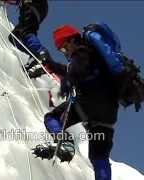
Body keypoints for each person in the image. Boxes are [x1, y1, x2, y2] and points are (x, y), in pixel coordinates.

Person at [31, 24, 126, 180]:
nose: (65, 52)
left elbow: (77, 69)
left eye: (63, 48)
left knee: (52, 118)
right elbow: (73, 70)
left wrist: (68, 80)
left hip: (88, 103)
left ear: (72, 41)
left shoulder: (82, 52)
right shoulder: (97, 56)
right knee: (99, 158)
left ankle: (66, 143)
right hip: (108, 113)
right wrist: (53, 66)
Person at [4, 0, 54, 78]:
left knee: (24, 31)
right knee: (14, 37)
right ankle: (35, 56)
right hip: (36, 8)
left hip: (33, 5)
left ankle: (42, 54)